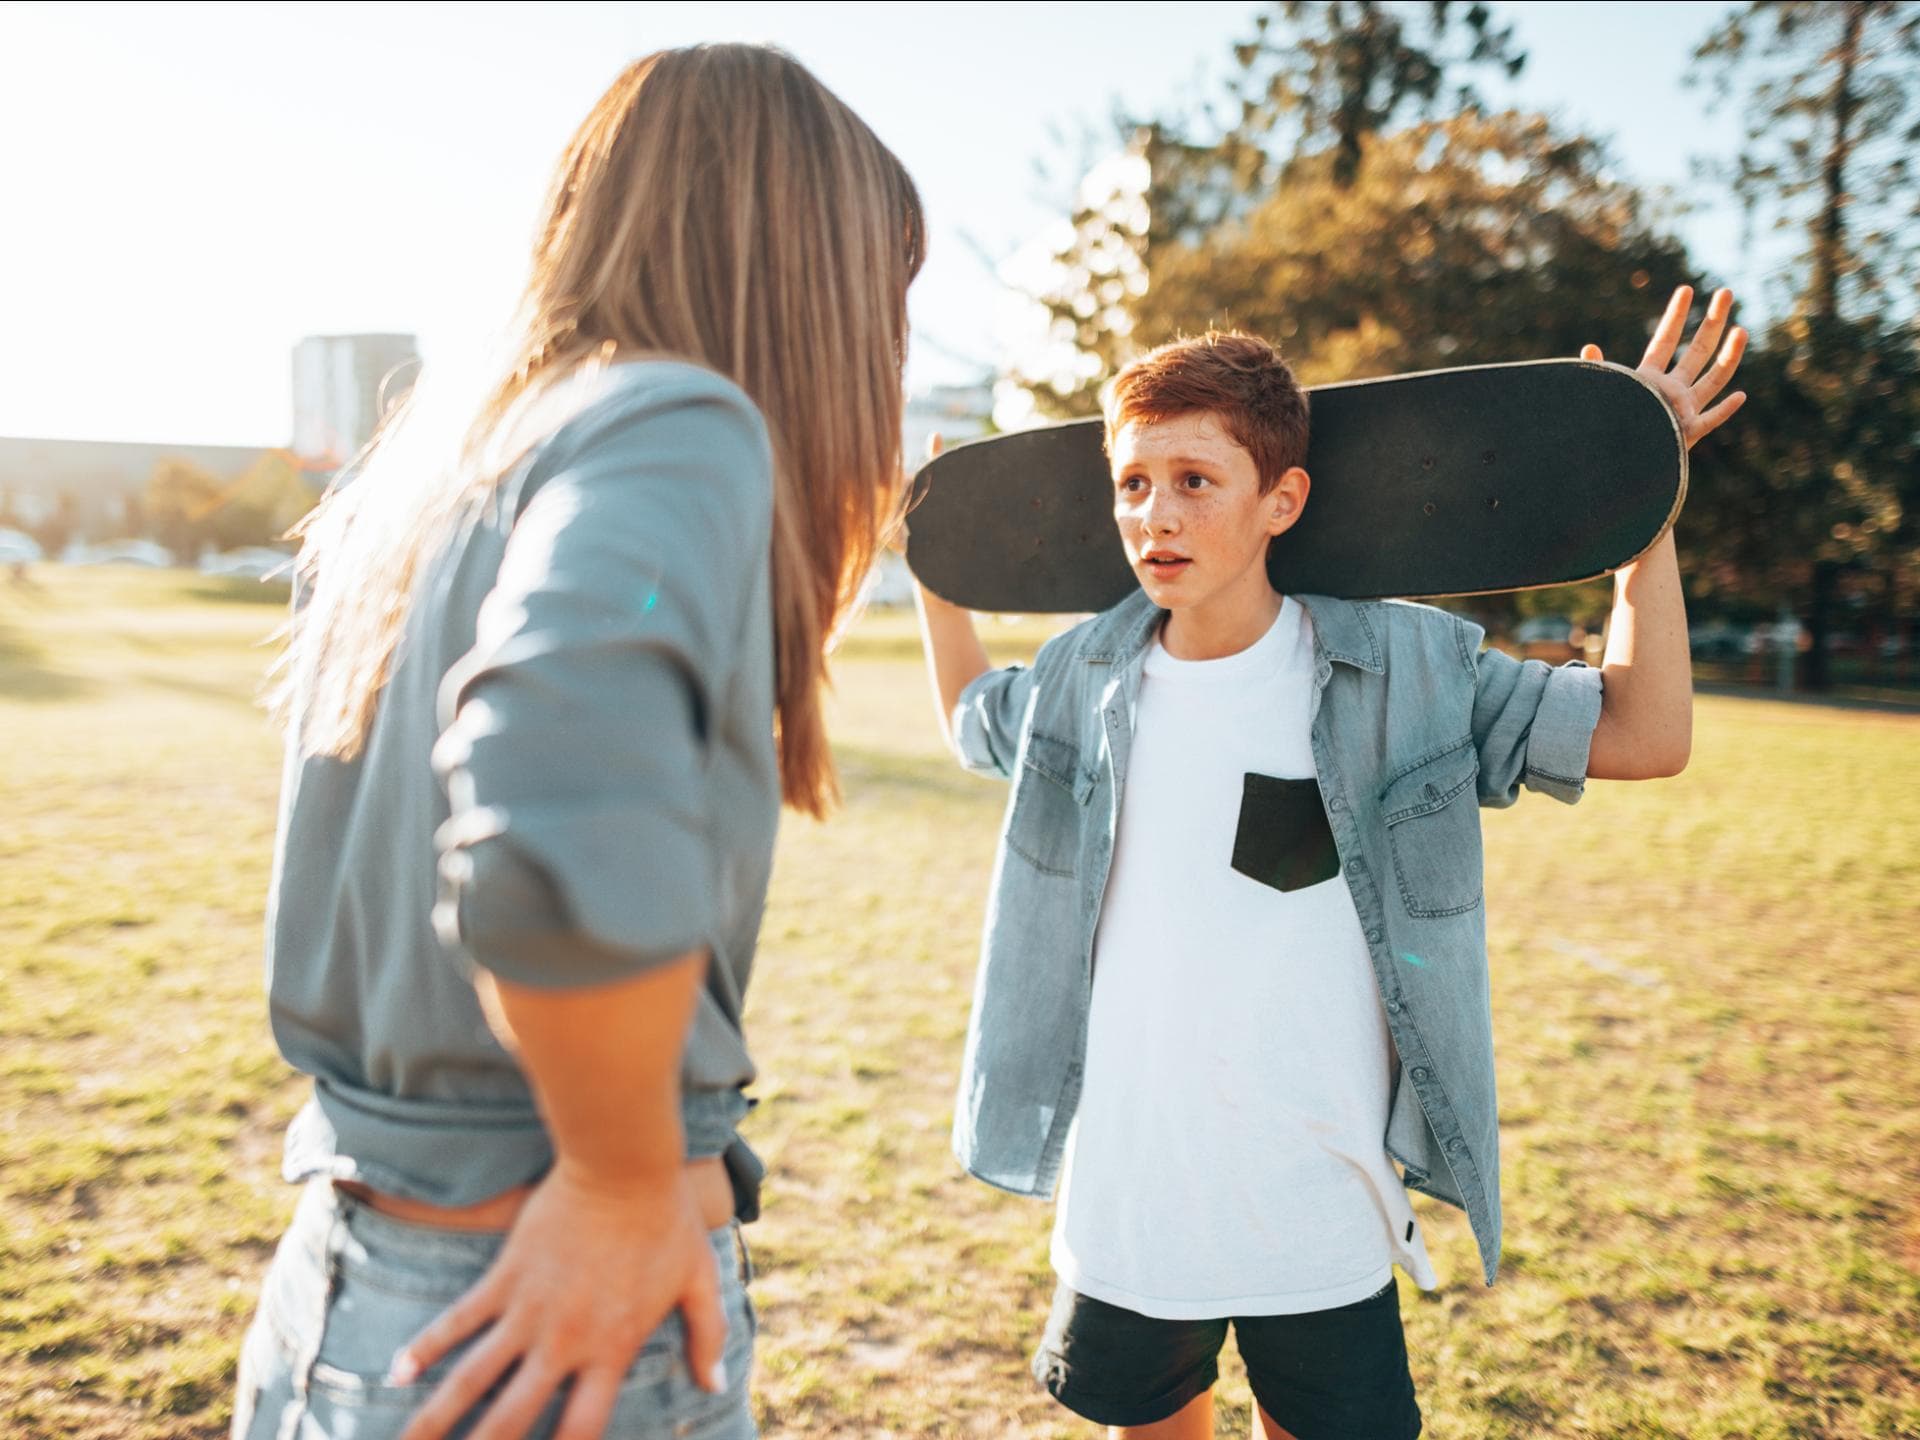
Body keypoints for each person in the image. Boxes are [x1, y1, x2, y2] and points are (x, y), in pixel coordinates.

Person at [232, 44, 923, 1440]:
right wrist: (619, 1178)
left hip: (355, 1285)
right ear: (814, 278)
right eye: (888, 292)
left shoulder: (445, 467)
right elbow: (553, 785)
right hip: (542, 1320)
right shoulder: (678, 421)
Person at [913, 288, 1746, 1440]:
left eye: (1194, 480)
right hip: (1132, 1195)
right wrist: (936, 569)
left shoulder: (1407, 671)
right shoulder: (1077, 677)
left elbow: (1644, 732)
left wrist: (1638, 514)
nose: (1155, 515)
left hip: (1317, 1205)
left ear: (1283, 499)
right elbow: (973, 720)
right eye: (1133, 483)